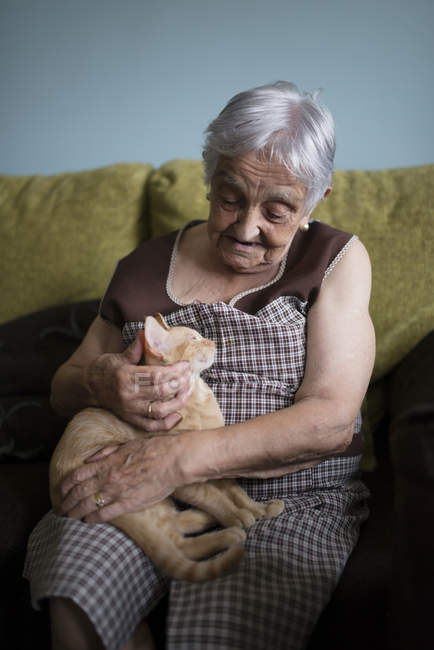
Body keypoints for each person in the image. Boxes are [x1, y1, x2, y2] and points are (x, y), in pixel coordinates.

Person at [24, 80, 375, 650]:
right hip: (140, 476)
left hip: (285, 494)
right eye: (230, 197)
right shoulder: (141, 267)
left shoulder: (335, 259)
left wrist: (176, 460)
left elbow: (330, 419)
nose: (245, 228)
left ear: (315, 201)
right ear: (209, 177)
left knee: (224, 618)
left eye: (278, 211)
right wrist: (100, 380)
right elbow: (65, 386)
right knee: (76, 583)